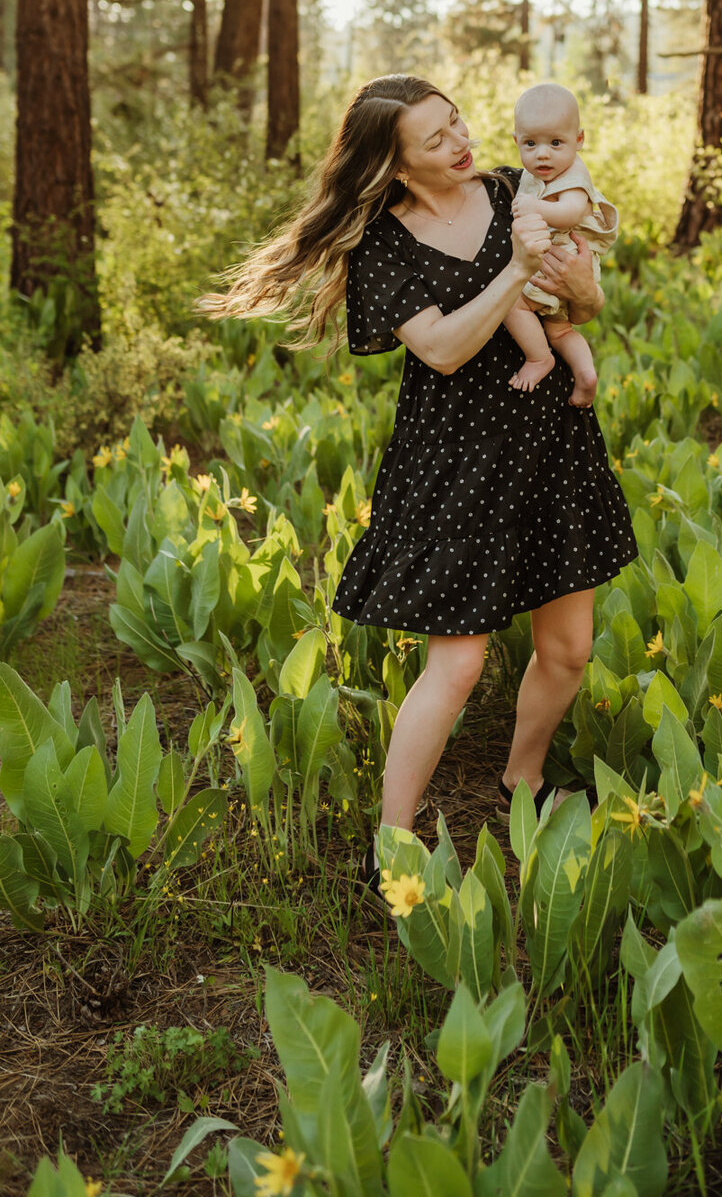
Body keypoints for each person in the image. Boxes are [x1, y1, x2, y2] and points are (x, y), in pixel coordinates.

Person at [198, 74, 637, 903]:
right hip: (458, 454)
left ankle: (523, 780)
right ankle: (390, 843)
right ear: (396, 167)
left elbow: (587, 297)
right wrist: (513, 272)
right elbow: (439, 348)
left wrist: (573, 288)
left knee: (568, 647)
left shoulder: (518, 188)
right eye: (436, 140)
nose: (463, 143)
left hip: (549, 438)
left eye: (458, 121)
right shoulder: (386, 244)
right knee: (459, 663)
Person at [501, 82, 618, 408]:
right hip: (558, 265)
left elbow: (570, 213)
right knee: (561, 331)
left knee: (510, 305)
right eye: (530, 143)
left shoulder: (574, 174)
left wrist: (535, 208)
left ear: (579, 140)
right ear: (516, 142)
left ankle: (539, 358)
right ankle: (585, 374)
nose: (542, 153)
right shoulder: (540, 173)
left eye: (555, 142)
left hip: (562, 260)